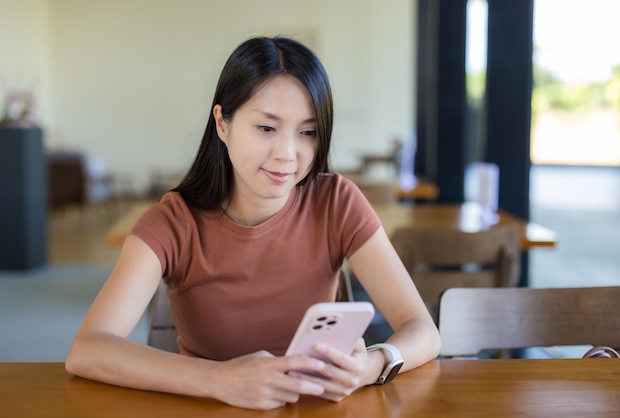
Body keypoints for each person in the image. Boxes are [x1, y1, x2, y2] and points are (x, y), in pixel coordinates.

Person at [65, 35, 440, 410]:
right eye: (266, 128)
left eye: (307, 132)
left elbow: (423, 330)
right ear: (222, 124)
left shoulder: (336, 201)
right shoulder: (173, 221)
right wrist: (221, 380)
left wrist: (370, 366)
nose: (287, 154)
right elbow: (88, 349)